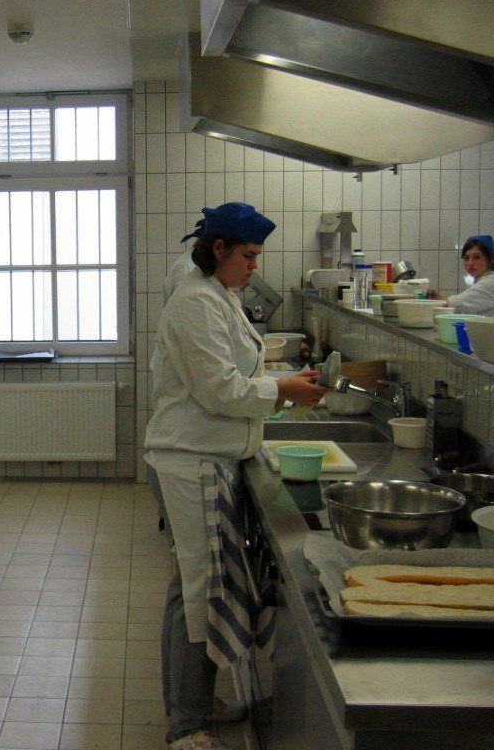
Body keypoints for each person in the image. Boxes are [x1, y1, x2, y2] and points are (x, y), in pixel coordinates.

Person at [144, 203, 328, 750]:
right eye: (247, 255)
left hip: (208, 457)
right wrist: (283, 390)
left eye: (257, 257)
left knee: (191, 590)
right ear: (219, 248)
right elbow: (220, 389)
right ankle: (187, 727)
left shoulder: (218, 294)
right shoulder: (195, 301)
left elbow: (236, 372)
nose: (254, 266)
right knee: (199, 593)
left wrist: (281, 388)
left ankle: (190, 705)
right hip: (190, 462)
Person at [447, 234, 494, 315]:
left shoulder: (490, 281)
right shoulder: (482, 280)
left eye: (477, 257)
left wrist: (433, 299)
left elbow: (457, 303)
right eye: (466, 258)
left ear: (491, 259)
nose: (470, 263)